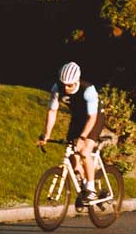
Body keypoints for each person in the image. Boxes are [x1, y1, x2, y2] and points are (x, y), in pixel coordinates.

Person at [38, 61, 104, 204]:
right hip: (78, 117)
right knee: (72, 157)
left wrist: (82, 137)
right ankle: (83, 187)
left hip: (94, 117)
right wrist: (46, 134)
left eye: (70, 85)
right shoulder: (57, 88)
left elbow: (92, 118)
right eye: (64, 84)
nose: (66, 88)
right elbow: (52, 111)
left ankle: (91, 189)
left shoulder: (88, 89)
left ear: (77, 81)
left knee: (84, 151)